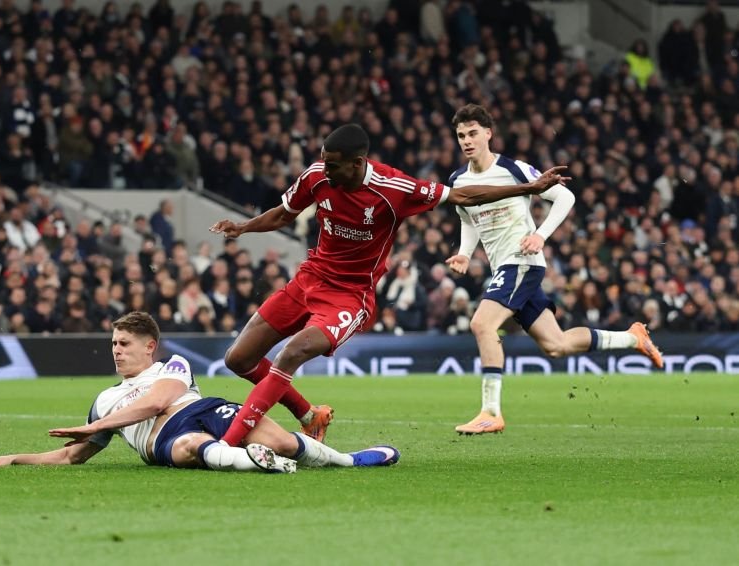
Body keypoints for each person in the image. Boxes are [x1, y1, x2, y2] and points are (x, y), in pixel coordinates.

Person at [209, 123, 569, 448]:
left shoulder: (394, 187)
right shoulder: (317, 175)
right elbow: (283, 214)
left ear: (356, 163)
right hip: (308, 280)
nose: (324, 170)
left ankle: (228, 444)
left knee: (292, 352)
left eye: (332, 165)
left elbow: (462, 196)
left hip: (349, 296)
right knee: (238, 358)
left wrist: (528, 188)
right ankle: (310, 416)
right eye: (323, 162)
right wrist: (243, 227)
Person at [445, 104, 664, 435]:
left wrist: (540, 235)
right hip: (506, 267)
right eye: (461, 135)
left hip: (521, 262)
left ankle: (491, 412)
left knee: (481, 324)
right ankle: (633, 338)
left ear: (488, 134)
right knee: (556, 345)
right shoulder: (457, 180)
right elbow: (468, 219)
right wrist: (464, 254)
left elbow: (565, 197)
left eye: (473, 133)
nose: (466, 140)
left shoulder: (514, 169)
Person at [0, 312, 399, 473]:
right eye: (114, 344)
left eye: (124, 344)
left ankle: (348, 460)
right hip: (165, 439)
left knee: (284, 442)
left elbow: (159, 402)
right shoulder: (102, 399)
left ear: (149, 346)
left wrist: (97, 426)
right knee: (191, 446)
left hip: (205, 409)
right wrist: (14, 458)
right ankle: (259, 464)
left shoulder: (172, 366)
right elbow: (71, 456)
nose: (116, 351)